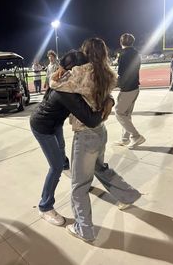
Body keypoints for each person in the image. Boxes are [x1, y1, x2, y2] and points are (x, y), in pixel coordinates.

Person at [50, 38, 141, 242]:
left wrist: (62, 68)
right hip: (101, 130)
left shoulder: (82, 72)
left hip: (85, 135)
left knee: (79, 185)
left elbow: (54, 83)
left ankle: (84, 229)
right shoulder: (108, 73)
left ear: (86, 52)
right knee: (100, 168)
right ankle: (128, 195)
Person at [30, 74, 114, 226]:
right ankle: (45, 206)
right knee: (55, 167)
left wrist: (110, 98)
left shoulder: (66, 83)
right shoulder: (66, 90)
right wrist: (105, 107)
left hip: (54, 123)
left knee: (61, 149)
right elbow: (91, 120)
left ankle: (65, 167)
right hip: (42, 126)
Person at [114, 33, 145, 149]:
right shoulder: (137, 54)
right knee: (126, 114)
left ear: (121, 42)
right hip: (135, 87)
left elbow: (121, 74)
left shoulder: (123, 55)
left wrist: (114, 85)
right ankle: (125, 139)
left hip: (127, 89)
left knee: (118, 112)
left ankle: (136, 136)